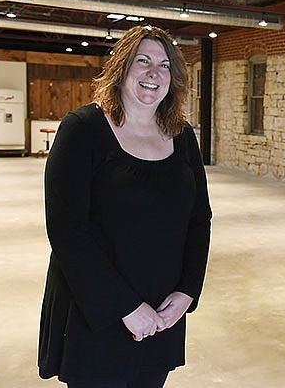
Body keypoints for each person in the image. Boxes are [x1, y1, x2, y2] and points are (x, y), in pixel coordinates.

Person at [38, 25, 212, 388]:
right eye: (142, 61)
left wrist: (186, 293)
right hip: (97, 310)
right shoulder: (82, 129)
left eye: (164, 66)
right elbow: (67, 231)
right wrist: (125, 308)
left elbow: (199, 218)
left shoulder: (182, 136)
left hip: (161, 311)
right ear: (121, 68)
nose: (154, 73)